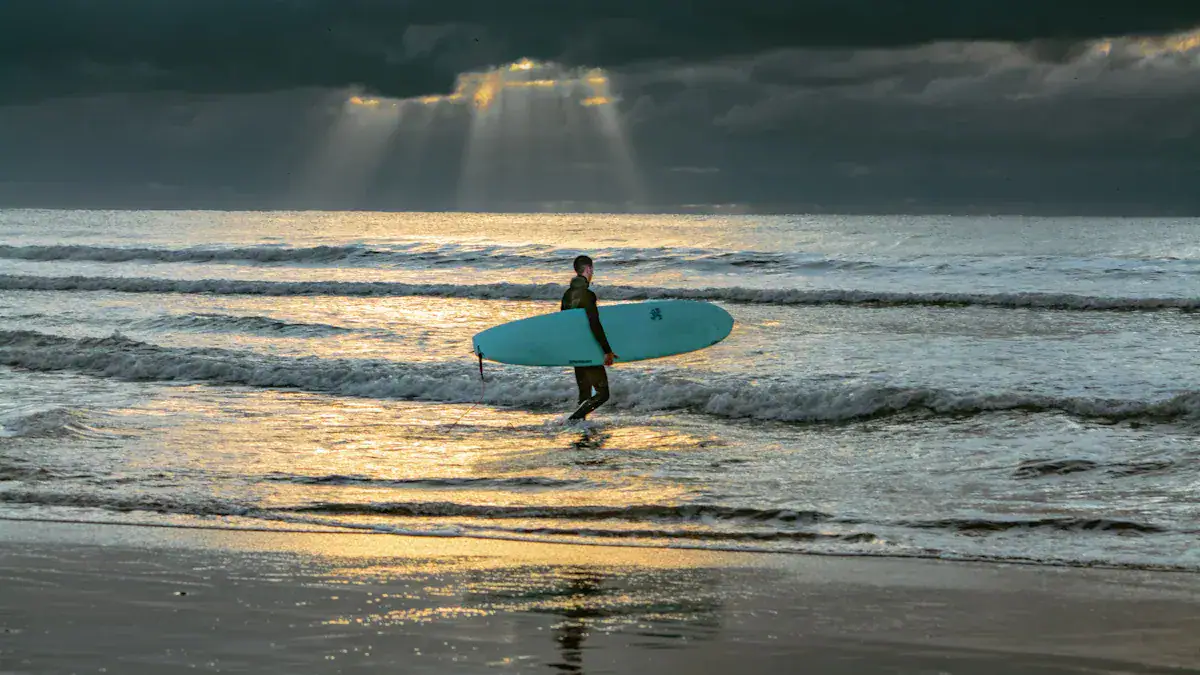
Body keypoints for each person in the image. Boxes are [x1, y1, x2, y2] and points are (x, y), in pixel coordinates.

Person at [561, 255, 617, 421]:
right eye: (592, 270)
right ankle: (574, 420)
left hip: (575, 348)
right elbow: (594, 323)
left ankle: (580, 432)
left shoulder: (567, 294)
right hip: (587, 349)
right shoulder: (587, 294)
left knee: (584, 393)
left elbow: (564, 323)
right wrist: (607, 350)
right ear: (588, 269)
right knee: (603, 394)